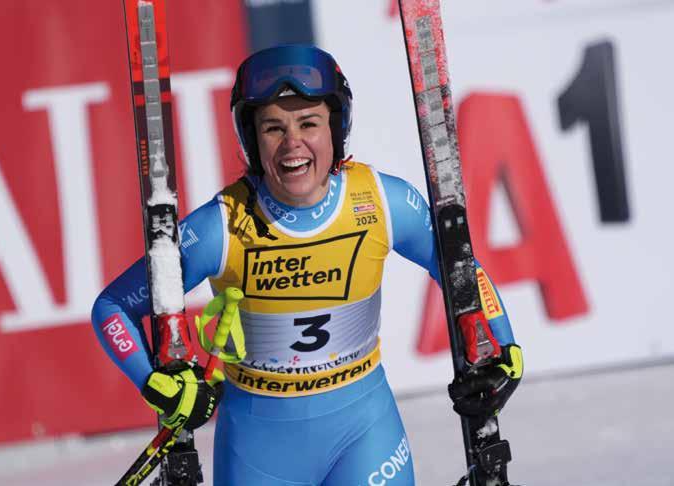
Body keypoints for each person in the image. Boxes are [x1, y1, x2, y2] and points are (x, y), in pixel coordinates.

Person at [92, 44, 523, 486]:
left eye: (309, 123)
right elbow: (112, 308)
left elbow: (461, 270)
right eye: (273, 128)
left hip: (365, 437)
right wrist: (154, 382)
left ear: (335, 129)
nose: (292, 143)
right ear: (252, 140)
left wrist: (505, 350)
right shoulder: (223, 225)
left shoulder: (381, 201)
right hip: (259, 453)